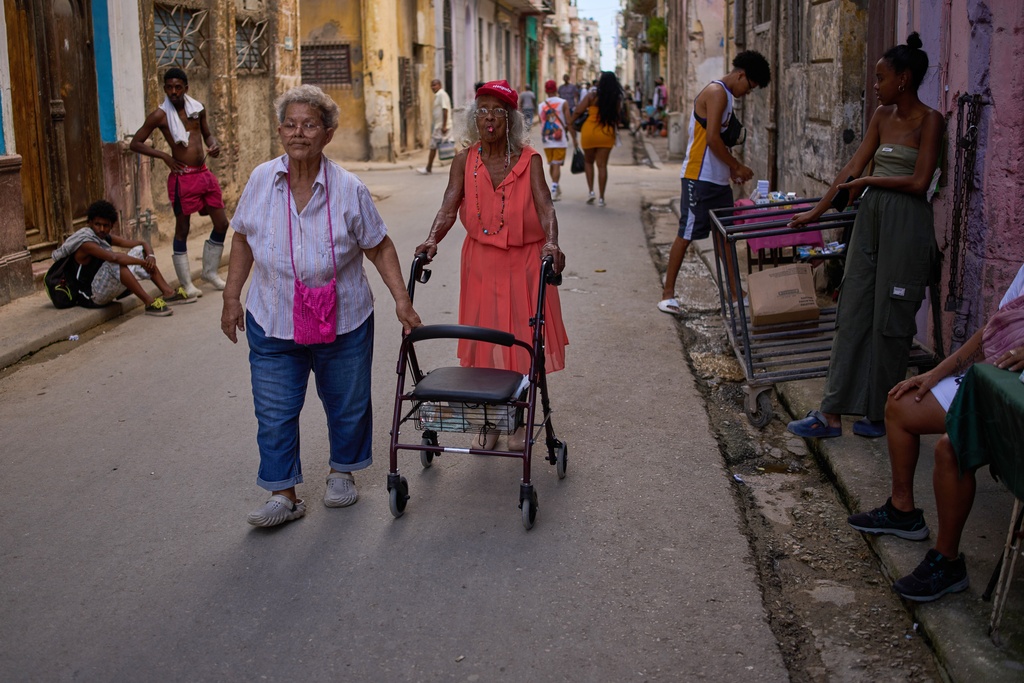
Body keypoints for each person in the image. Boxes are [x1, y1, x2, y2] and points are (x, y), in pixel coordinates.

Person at [220, 85, 422, 528]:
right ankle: (283, 493)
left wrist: (401, 302)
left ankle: (341, 472)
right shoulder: (260, 180)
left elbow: (379, 246)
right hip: (272, 315)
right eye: (290, 124)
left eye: (309, 124)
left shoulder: (349, 189)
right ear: (279, 131)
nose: (298, 133)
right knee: (273, 409)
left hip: (344, 317)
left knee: (346, 402)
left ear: (327, 133)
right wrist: (232, 296)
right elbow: (242, 237)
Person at [787, 33, 944, 439]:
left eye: (880, 78)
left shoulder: (931, 121)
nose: (875, 86)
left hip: (908, 225)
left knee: (892, 319)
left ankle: (881, 412)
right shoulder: (880, 117)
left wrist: (873, 178)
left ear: (904, 79)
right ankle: (832, 413)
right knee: (853, 306)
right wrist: (815, 212)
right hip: (871, 218)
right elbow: (851, 171)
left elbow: (920, 181)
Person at [847, 263, 1024, 601]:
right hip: (997, 379)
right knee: (901, 404)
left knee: (950, 449)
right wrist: (936, 373)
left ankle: (947, 561)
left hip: (1014, 393)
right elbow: (993, 329)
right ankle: (903, 512)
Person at [413, 80, 568, 451]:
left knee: (521, 340)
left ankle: (517, 418)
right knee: (483, 339)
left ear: (511, 119)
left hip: (527, 260)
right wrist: (432, 238)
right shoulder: (466, 159)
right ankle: (488, 418)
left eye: (498, 111)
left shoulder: (530, 159)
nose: (489, 118)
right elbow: (449, 206)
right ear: (473, 118)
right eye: (482, 111)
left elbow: (546, 207)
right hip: (481, 261)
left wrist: (552, 242)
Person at [658, 50, 771, 315]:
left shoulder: (727, 96)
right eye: (750, 86)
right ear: (740, 74)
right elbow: (711, 140)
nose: (748, 93)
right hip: (699, 178)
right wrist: (736, 165)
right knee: (686, 235)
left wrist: (730, 171)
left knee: (724, 237)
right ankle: (667, 294)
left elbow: (717, 140)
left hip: (716, 179)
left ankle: (735, 293)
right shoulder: (717, 93)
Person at [130, 67, 229, 297]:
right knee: (182, 229)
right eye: (169, 87)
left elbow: (207, 135)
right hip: (182, 178)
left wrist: (213, 146)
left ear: (186, 88)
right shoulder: (160, 115)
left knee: (222, 223)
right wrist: (165, 156)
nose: (174, 91)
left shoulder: (198, 109)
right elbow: (136, 143)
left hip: (203, 173)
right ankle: (187, 284)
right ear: (165, 89)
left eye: (178, 87)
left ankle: (210, 272)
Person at [51, 199, 196, 316]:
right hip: (91, 296)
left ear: (111, 226)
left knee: (139, 251)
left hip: (105, 286)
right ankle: (149, 302)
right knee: (115, 263)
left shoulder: (104, 237)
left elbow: (142, 243)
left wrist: (150, 256)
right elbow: (113, 257)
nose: (101, 229)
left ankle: (169, 293)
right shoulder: (86, 242)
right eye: (97, 224)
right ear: (89, 223)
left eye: (106, 225)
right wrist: (143, 263)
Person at [567, 71, 623, 207]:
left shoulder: (592, 95)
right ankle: (602, 198)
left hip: (589, 132)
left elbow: (578, 110)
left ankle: (591, 192)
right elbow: (618, 117)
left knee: (588, 162)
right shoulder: (616, 98)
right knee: (602, 166)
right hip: (606, 133)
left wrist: (570, 122)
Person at [538, 79, 577, 202]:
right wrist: (574, 138)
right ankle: (554, 189)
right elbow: (569, 122)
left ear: (546, 90)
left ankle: (556, 186)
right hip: (559, 139)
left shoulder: (541, 105)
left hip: (546, 139)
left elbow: (541, 122)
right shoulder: (563, 103)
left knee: (552, 163)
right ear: (556, 89)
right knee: (556, 164)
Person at [416, 79, 453, 176]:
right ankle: (466, 165)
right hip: (440, 125)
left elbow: (445, 110)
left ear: (439, 85)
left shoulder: (441, 94)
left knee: (433, 146)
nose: (433, 87)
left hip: (441, 126)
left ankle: (428, 168)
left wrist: (444, 125)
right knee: (450, 146)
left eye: (435, 85)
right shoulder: (438, 95)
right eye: (431, 85)